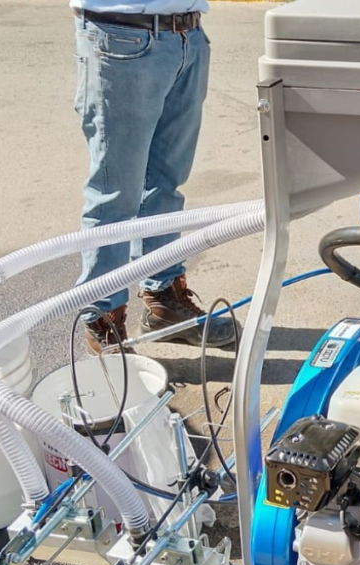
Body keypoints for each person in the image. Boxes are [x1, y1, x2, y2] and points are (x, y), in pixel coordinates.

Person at [70, 0, 235, 354]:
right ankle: (103, 320)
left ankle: (163, 300)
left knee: (165, 184)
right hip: (122, 35)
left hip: (185, 35)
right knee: (115, 195)